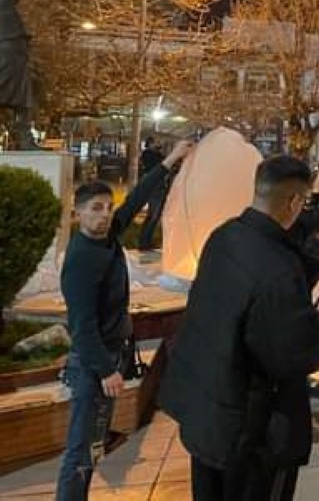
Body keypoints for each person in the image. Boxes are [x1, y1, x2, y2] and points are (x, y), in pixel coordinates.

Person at [160, 155, 319, 501]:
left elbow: (270, 240)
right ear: (294, 202)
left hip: (207, 410)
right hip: (249, 430)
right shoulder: (277, 272)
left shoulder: (224, 237)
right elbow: (295, 354)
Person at [57, 140, 192, 499]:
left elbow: (135, 199)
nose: (104, 215)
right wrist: (106, 370)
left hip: (110, 355)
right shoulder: (82, 259)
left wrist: (172, 159)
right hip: (93, 365)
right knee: (80, 451)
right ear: (78, 213)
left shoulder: (106, 237)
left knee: (93, 445)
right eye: (95, 209)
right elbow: (82, 325)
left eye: (107, 207)